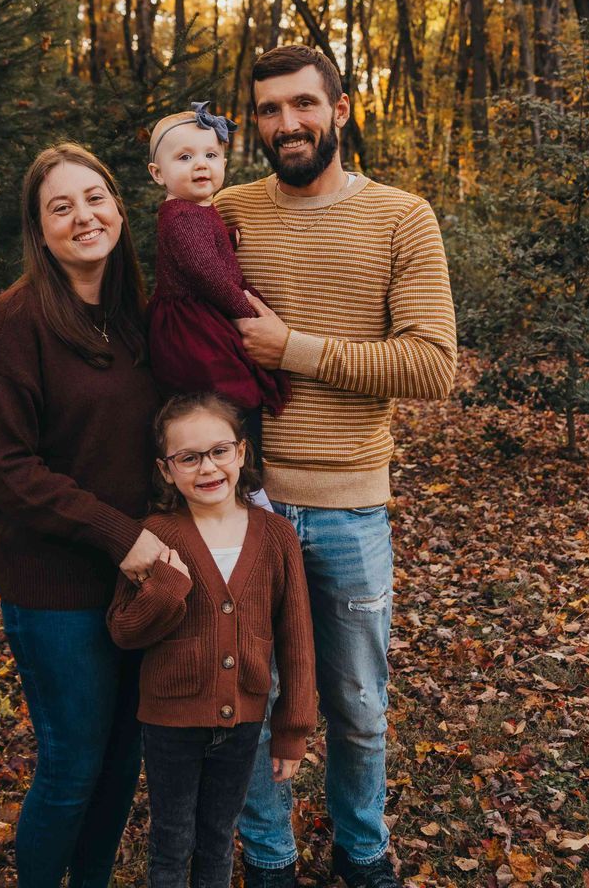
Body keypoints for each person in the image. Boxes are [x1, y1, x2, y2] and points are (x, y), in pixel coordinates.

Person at [217, 46, 459, 888]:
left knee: (357, 706)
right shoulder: (227, 213)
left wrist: (296, 350)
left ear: (341, 110)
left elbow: (432, 365)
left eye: (302, 105)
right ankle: (271, 858)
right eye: (270, 110)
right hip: (244, 509)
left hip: (351, 509)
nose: (287, 124)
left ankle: (362, 850)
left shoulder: (402, 217)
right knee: (249, 699)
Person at [0, 142, 172, 888]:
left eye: (95, 198)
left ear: (119, 207)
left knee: (124, 761)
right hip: (55, 591)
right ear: (40, 229)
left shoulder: (135, 317)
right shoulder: (15, 324)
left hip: (137, 585)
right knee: (73, 765)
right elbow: (6, 470)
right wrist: (123, 537)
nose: (83, 216)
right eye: (62, 206)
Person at [107, 392, 315, 888]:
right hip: (169, 724)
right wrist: (166, 590)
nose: (207, 468)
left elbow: (298, 639)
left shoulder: (277, 536)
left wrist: (293, 727)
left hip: (244, 722)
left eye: (219, 451)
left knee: (219, 838)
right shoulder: (155, 536)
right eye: (189, 458)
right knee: (172, 841)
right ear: (166, 469)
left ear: (241, 453)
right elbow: (122, 630)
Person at [143, 103, 290, 510]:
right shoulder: (177, 215)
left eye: (211, 155)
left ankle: (243, 481)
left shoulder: (195, 211)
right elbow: (204, 271)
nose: (200, 165)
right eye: (185, 157)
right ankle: (250, 489)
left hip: (201, 318)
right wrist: (244, 309)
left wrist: (226, 235)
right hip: (193, 329)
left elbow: (201, 244)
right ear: (159, 174)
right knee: (232, 396)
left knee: (234, 399)